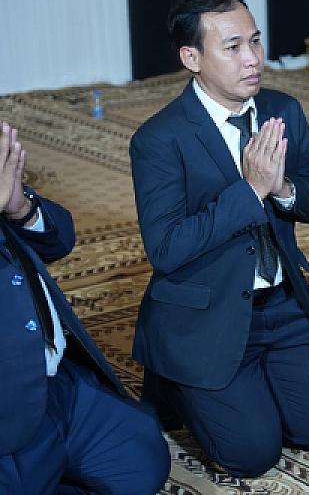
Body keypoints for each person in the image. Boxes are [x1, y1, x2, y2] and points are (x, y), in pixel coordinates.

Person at [129, 0, 309, 477]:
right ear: (192, 58)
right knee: (252, 456)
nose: (253, 59)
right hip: (208, 314)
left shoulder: (283, 110)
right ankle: (174, 382)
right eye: (232, 47)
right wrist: (250, 191)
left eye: (255, 41)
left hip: (282, 304)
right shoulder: (159, 139)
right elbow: (166, 248)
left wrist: (282, 187)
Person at [0, 121, 170, 493]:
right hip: (8, 412)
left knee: (143, 464)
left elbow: (60, 239)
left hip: (58, 384)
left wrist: (20, 208)